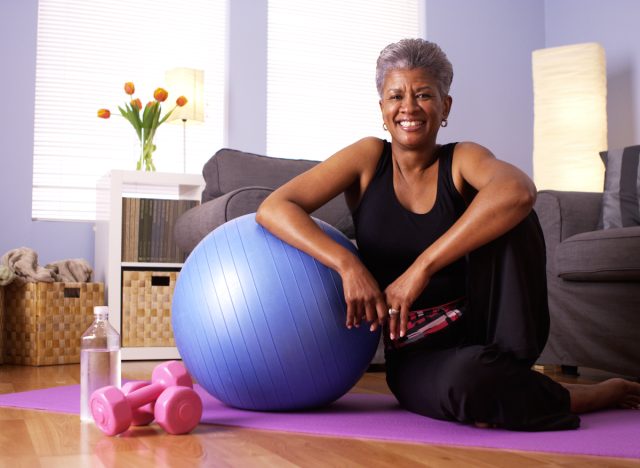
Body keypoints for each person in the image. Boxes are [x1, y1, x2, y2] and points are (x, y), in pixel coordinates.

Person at [256, 38, 640, 431]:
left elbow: (520, 191)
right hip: (418, 351)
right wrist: (348, 264)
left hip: (493, 328)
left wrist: (420, 269)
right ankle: (580, 395)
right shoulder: (368, 158)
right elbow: (275, 207)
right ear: (382, 110)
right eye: (396, 96)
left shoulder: (461, 159)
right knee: (469, 385)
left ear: (445, 107)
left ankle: (516, 380)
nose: (408, 107)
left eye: (424, 94)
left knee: (511, 209)